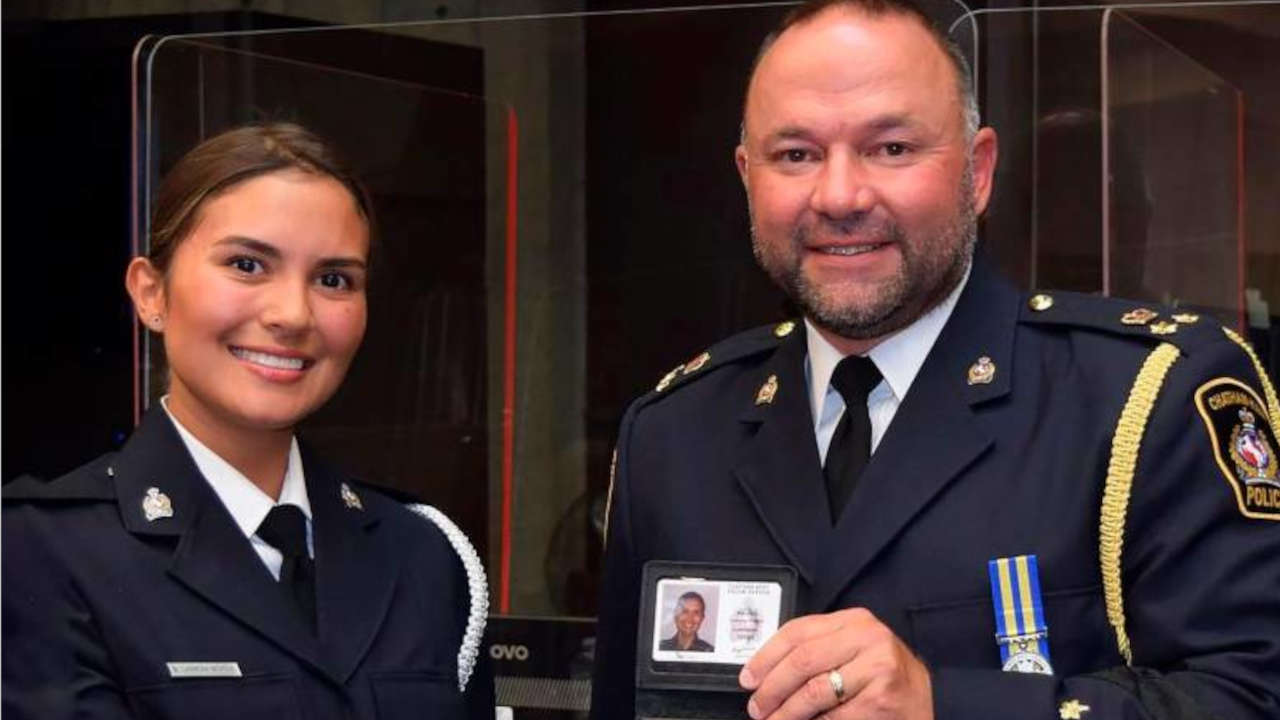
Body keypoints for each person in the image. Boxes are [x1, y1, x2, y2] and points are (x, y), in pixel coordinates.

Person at [590, 1, 1280, 719]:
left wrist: (944, 704)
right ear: (746, 177)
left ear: (977, 173)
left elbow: (1250, 697)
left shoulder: (1146, 397)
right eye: (796, 155)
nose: (840, 196)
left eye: (891, 148)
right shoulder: (674, 434)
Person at [3, 123, 494, 720]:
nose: (292, 314)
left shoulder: (421, 556)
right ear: (151, 293)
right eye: (247, 265)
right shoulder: (41, 555)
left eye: (334, 279)